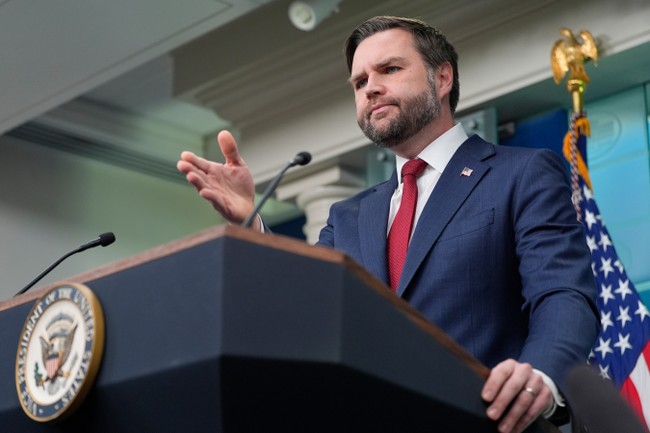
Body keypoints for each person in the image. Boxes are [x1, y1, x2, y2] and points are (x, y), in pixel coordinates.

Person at [177, 16, 599, 433]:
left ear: (443, 77)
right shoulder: (347, 218)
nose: (371, 88)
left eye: (390, 69)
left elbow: (562, 292)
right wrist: (251, 223)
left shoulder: (520, 173)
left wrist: (540, 376)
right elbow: (304, 306)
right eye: (359, 82)